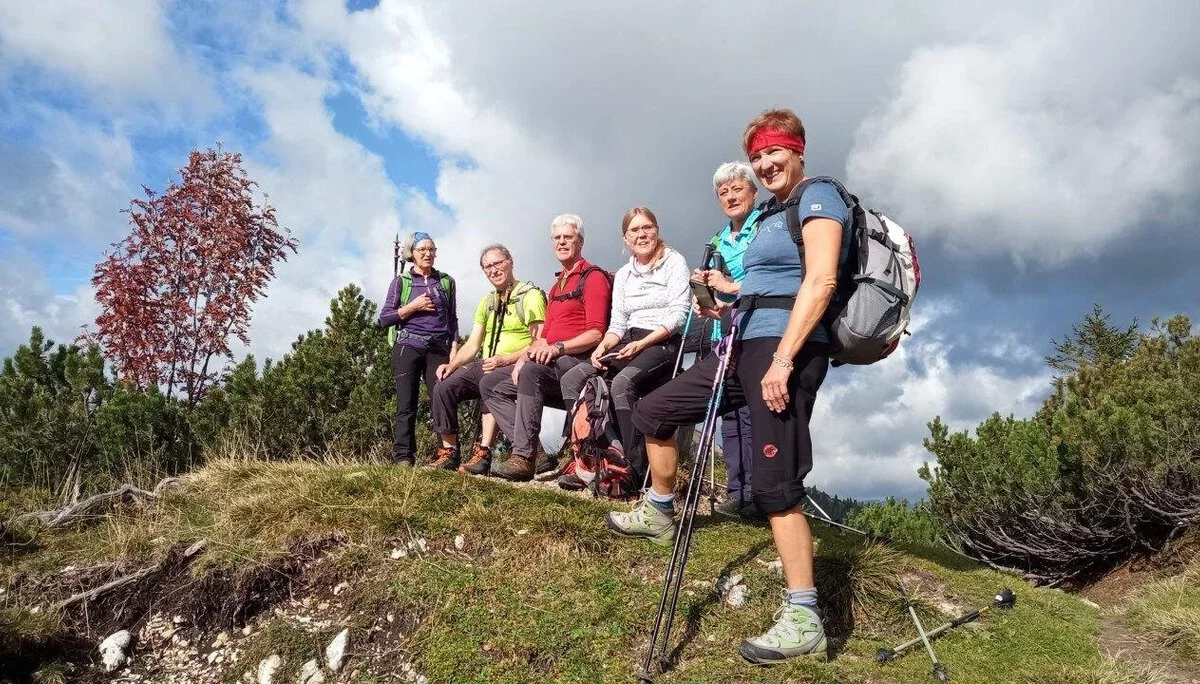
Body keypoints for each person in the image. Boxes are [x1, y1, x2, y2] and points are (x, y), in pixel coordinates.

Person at [606, 109, 851, 665]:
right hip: (738, 345)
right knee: (653, 410)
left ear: (800, 150)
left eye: (775, 152)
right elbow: (759, 288)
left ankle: (805, 615)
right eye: (758, 154)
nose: (766, 163)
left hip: (783, 349)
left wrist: (783, 360)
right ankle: (660, 508)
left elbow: (821, 280)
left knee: (773, 481)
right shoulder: (772, 211)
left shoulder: (821, 199)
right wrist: (716, 300)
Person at [559, 207, 689, 485]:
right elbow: (617, 322)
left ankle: (634, 471)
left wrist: (641, 343)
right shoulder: (626, 274)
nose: (642, 234)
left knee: (621, 384)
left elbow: (678, 315)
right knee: (573, 378)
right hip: (629, 339)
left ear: (656, 230)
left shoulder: (674, 261)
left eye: (647, 228)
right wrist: (602, 346)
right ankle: (594, 457)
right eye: (635, 230)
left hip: (662, 341)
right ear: (625, 238)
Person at [480, 214, 613, 481]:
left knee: (532, 373)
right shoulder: (555, 287)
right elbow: (544, 337)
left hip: (579, 362)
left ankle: (523, 457)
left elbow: (596, 333)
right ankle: (537, 453)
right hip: (552, 364)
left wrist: (559, 348)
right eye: (557, 238)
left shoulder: (593, 277)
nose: (562, 242)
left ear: (580, 241)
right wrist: (522, 357)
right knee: (491, 384)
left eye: (568, 237)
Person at [427, 244, 546, 473]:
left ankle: (484, 452)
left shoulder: (530, 296)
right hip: (487, 361)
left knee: (488, 381)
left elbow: (539, 341)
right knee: (444, 386)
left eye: (498, 263)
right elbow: (473, 344)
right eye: (487, 267)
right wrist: (452, 364)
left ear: (510, 262)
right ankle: (449, 452)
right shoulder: (487, 302)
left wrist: (505, 359)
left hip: (515, 364)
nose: (493, 270)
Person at [699, 162, 763, 519]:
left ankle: (756, 495)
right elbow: (717, 290)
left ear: (753, 192)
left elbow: (771, 275)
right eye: (723, 192)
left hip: (756, 329)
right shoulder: (717, 239)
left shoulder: (765, 228)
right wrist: (705, 289)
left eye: (737, 189)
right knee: (729, 414)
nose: (730, 196)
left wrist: (728, 286)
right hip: (723, 332)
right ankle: (736, 492)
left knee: (752, 414)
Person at [378, 231, 459, 466]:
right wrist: (411, 307)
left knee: (442, 398)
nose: (428, 254)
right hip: (408, 345)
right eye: (422, 250)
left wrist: (454, 349)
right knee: (406, 403)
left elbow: (452, 319)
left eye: (431, 249)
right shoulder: (402, 282)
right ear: (411, 254)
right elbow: (385, 318)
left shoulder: (446, 281)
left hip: (439, 347)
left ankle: (448, 455)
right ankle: (403, 457)